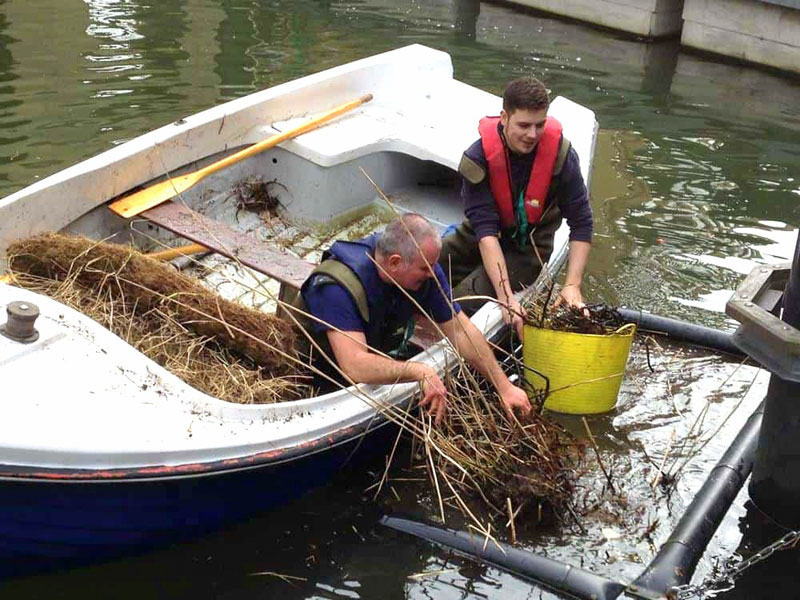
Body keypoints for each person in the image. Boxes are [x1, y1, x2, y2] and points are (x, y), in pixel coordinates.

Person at [292, 213, 531, 424]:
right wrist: (419, 371)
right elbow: (354, 365)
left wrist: (504, 386)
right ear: (395, 262)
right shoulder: (337, 289)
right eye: (425, 269)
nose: (432, 275)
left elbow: (459, 331)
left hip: (373, 347)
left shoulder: (424, 271)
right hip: (309, 372)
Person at [439, 76, 593, 339]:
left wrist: (572, 285)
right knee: (425, 271)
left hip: (527, 250)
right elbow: (485, 234)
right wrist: (507, 297)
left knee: (460, 302)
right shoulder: (478, 158)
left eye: (539, 125)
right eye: (524, 125)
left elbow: (582, 224)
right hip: (479, 237)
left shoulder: (562, 157)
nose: (532, 134)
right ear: (504, 117)